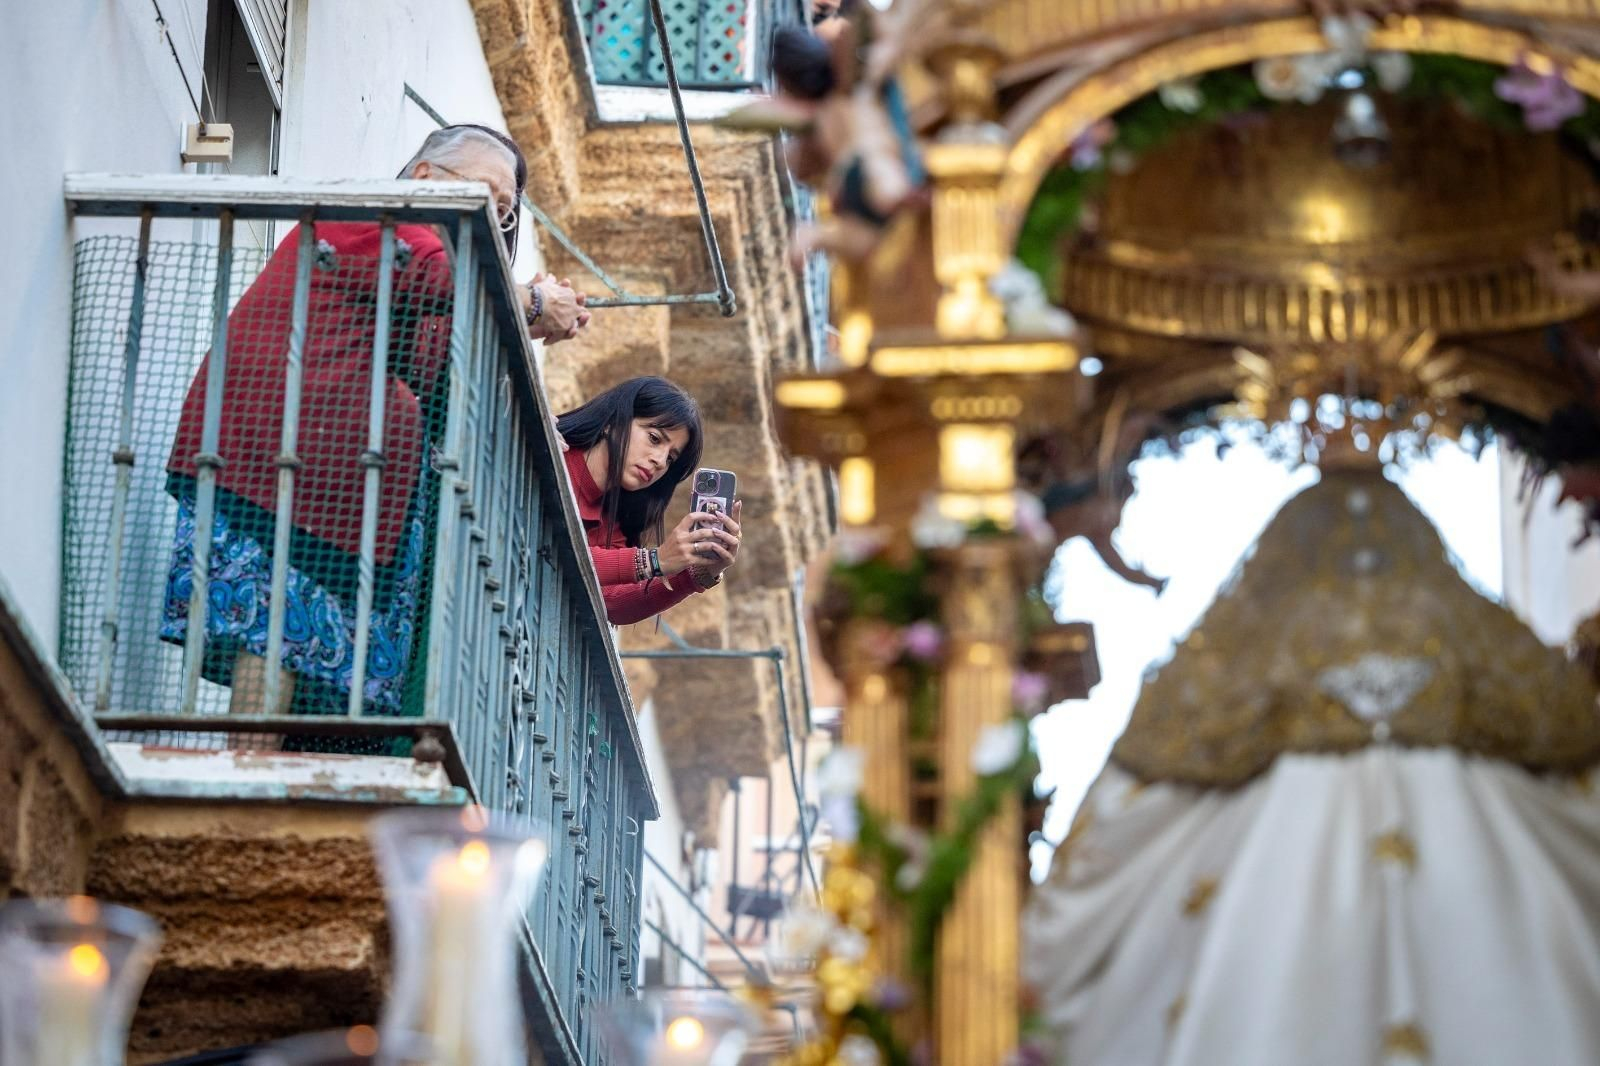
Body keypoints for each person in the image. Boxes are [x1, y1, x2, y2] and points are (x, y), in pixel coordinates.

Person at [162, 125, 591, 728]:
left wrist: (524, 326)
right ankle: (247, 772)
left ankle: (264, 768)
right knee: (275, 636)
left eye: (504, 212)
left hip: (330, 495)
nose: (492, 220)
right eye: (483, 194)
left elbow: (438, 370)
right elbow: (436, 280)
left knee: (297, 658)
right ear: (424, 177)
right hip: (277, 471)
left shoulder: (433, 267)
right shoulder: (380, 216)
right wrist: (533, 302)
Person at [555, 377, 743, 624]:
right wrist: (655, 560)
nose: (660, 461)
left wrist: (700, 572)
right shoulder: (549, 452)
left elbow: (611, 603)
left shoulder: (611, 524)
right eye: (654, 438)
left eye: (671, 458)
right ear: (612, 422)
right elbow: (553, 551)